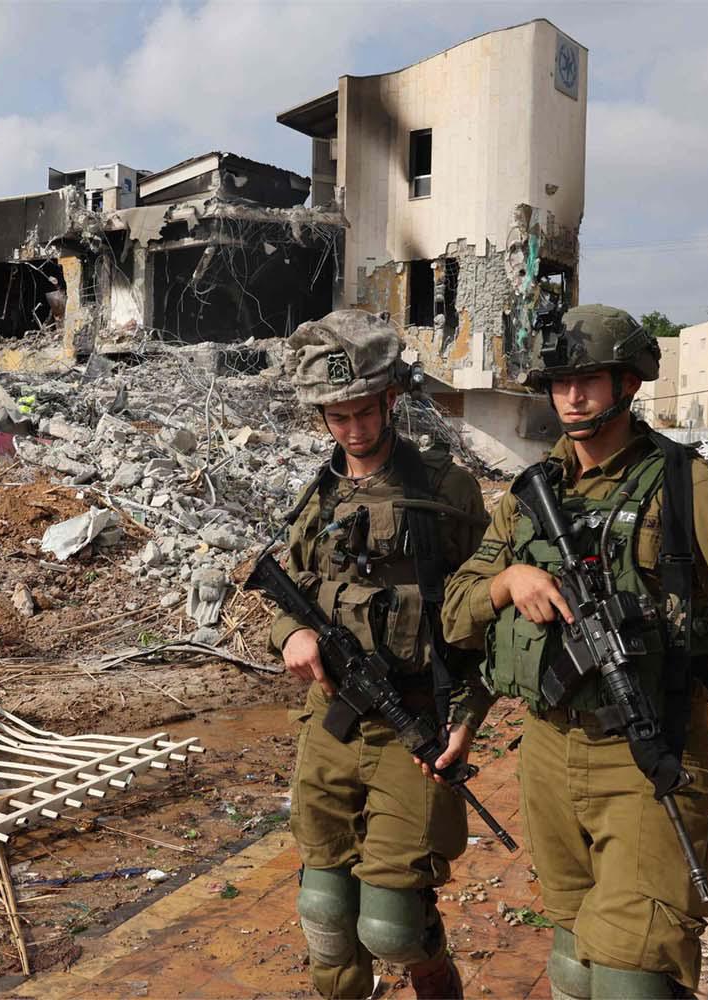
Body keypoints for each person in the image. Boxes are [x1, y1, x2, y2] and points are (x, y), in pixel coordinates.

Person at [440, 304, 708, 999]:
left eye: (590, 379)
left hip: (648, 754)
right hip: (546, 755)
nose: (572, 396)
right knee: (576, 961)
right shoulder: (528, 497)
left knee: (636, 977)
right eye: (560, 381)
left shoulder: (685, 485)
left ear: (630, 383)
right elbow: (458, 611)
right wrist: (509, 582)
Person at [271, 309, 493, 1000]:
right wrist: (292, 636)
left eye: (364, 411)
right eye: (336, 416)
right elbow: (285, 592)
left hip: (415, 729)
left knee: (393, 927)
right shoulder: (318, 496)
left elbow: (486, 616)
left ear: (391, 399)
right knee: (325, 914)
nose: (354, 429)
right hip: (330, 724)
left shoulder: (447, 491)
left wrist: (469, 716)